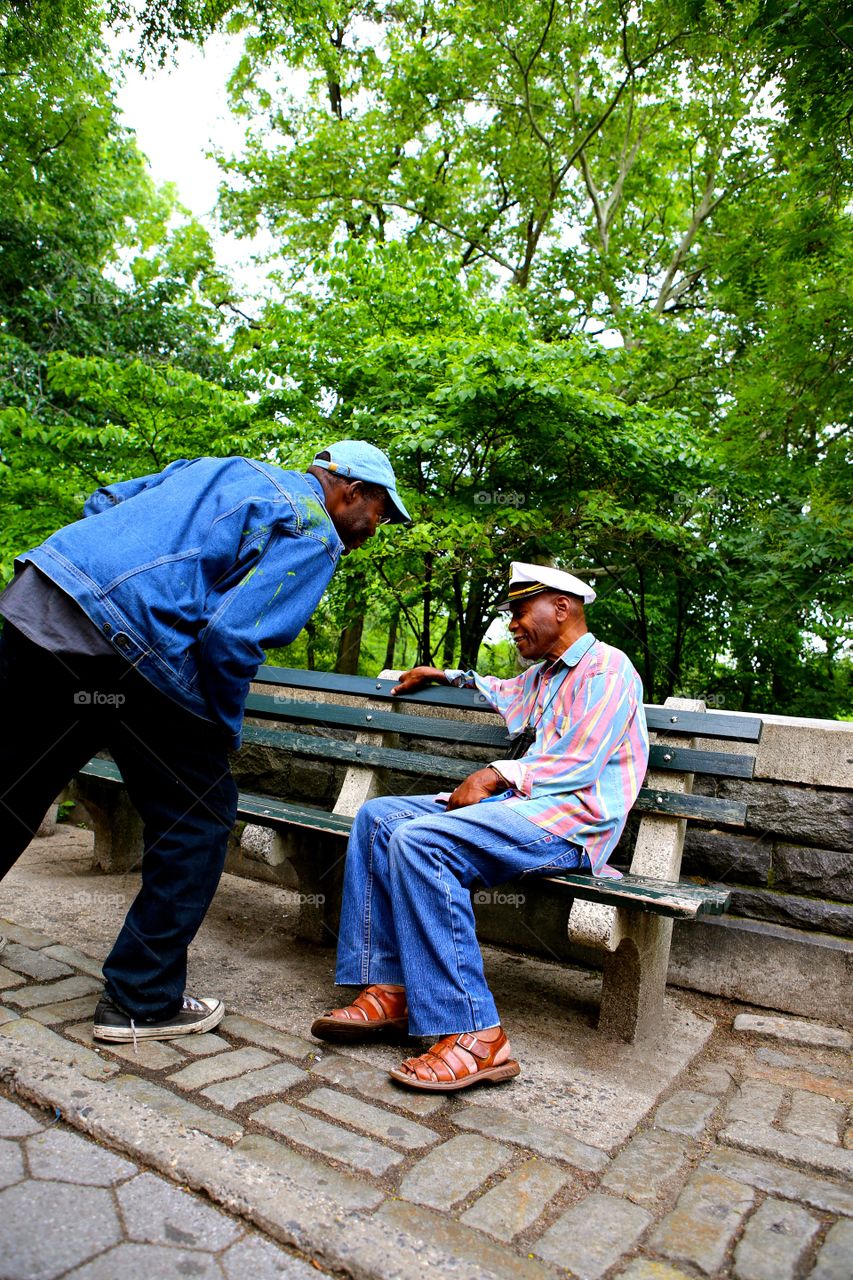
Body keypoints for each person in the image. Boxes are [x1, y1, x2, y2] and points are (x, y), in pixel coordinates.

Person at [0, 441, 410, 1044]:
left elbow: (107, 501)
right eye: (380, 511)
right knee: (199, 819)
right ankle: (141, 999)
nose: (378, 527)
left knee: (13, 790)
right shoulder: (314, 528)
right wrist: (220, 728)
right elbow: (232, 638)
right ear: (349, 490)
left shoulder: (221, 469)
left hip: (41, 605)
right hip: (131, 653)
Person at [311, 562, 649, 1092]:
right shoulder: (543, 676)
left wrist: (495, 773)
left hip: (571, 827)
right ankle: (394, 988)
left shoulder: (608, 671)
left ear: (560, 607)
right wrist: (443, 675)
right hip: (522, 814)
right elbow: (499, 689)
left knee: (422, 842)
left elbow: (579, 763)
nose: (511, 623)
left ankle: (475, 1033)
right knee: (379, 819)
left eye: (519, 611)